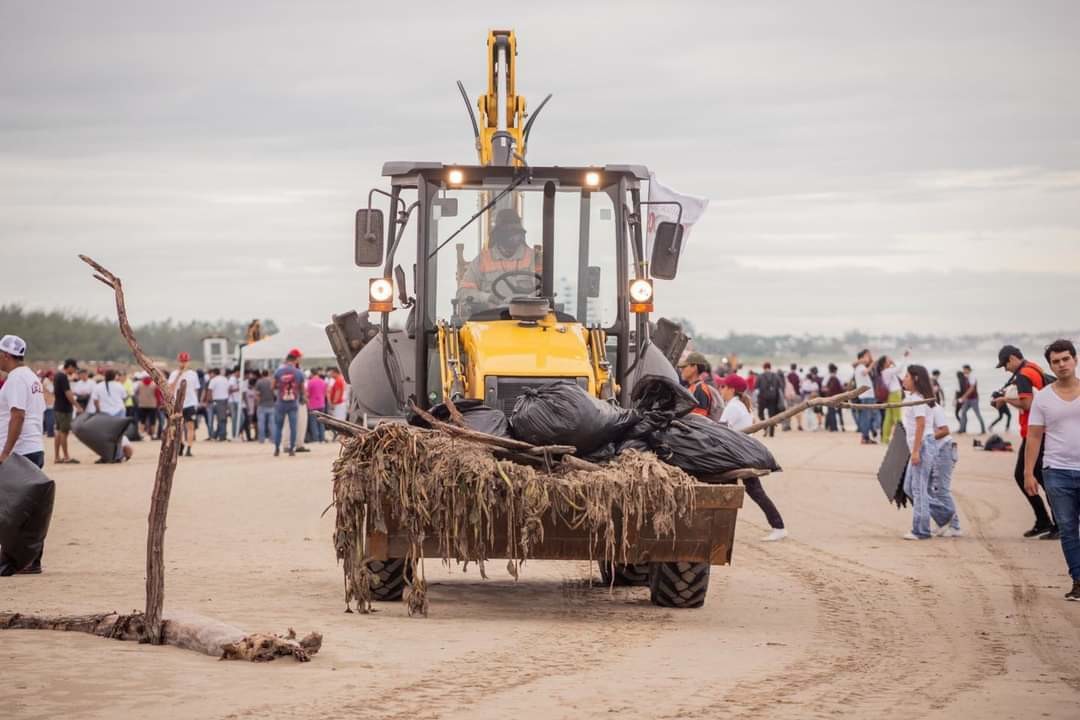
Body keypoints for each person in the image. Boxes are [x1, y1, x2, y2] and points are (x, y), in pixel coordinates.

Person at [1024, 339, 1080, 601]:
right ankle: (1078, 580)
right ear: (1051, 365)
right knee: (1068, 528)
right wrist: (1028, 473)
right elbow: (1034, 436)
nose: (1061, 365)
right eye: (1056, 361)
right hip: (1056, 471)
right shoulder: (1043, 398)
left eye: (1065, 359)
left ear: (1075, 360)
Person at [992, 345, 1058, 539]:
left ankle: (1054, 523)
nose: (1006, 369)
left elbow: (1027, 403)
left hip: (1035, 432)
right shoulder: (1034, 367)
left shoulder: (1023, 375)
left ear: (1013, 358)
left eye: (1005, 364)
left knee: (1029, 476)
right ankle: (1047, 521)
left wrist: (1005, 399)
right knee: (1035, 476)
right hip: (1042, 430)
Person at [717, 374, 787, 540]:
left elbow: (720, 431)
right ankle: (777, 526)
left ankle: (779, 526)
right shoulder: (741, 405)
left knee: (753, 491)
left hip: (738, 456)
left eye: (723, 387)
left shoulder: (733, 407)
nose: (721, 390)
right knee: (748, 490)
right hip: (743, 454)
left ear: (731, 389)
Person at [0, 335, 48, 574]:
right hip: (33, 447)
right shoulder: (31, 377)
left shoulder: (17, 378)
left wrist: (6, 452)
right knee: (30, 509)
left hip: (19, 452)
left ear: (6, 355)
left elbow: (17, 415)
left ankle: (17, 559)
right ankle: (30, 559)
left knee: (13, 509)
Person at [456, 209, 541, 314]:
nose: (514, 239)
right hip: (491, 320)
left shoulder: (535, 258)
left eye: (516, 234)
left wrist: (529, 299)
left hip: (528, 319)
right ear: (499, 235)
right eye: (509, 234)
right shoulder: (482, 260)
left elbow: (545, 290)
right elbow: (463, 292)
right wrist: (488, 298)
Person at [900, 365, 939, 540]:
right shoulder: (913, 398)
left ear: (916, 378)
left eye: (907, 376)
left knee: (918, 488)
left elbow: (921, 425)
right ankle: (943, 514)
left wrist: (915, 451)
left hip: (922, 444)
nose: (903, 379)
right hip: (920, 445)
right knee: (909, 486)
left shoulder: (918, 399)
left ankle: (921, 530)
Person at [928, 401, 962, 537]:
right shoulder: (922, 408)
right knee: (934, 490)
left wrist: (926, 438)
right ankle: (942, 523)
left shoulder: (934, 408)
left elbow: (945, 430)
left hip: (945, 450)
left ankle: (955, 526)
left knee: (942, 490)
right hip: (937, 451)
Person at [167, 351, 202, 457]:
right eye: (182, 361)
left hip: (190, 403)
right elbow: (171, 388)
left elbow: (196, 389)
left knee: (190, 426)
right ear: (179, 361)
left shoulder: (193, 374)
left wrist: (197, 402)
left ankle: (189, 448)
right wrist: (179, 375)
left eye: (185, 361)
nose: (183, 363)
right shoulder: (173, 374)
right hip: (178, 403)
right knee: (178, 427)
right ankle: (181, 445)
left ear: (188, 362)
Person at [273, 349, 306, 457]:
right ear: (295, 359)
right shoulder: (299, 373)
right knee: (293, 427)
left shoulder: (278, 371)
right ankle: (292, 450)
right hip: (293, 403)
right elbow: (302, 390)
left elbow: (272, 386)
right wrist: (303, 398)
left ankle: (277, 449)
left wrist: (279, 390)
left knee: (278, 427)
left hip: (280, 403)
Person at [679, 351, 723, 420]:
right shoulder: (693, 387)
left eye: (684, 366)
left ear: (694, 368)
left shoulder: (701, 390)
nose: (681, 370)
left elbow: (698, 421)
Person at [52, 359, 80, 464]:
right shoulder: (63, 377)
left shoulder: (57, 375)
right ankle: (66, 456)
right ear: (70, 366)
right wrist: (77, 405)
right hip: (64, 409)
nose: (74, 371)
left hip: (58, 407)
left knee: (58, 432)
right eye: (74, 368)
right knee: (64, 432)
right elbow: (68, 393)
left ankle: (57, 456)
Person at [853, 349, 879, 444]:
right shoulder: (860, 367)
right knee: (867, 417)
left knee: (867, 416)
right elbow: (865, 372)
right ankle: (865, 437)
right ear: (862, 357)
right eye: (867, 356)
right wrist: (872, 364)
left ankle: (866, 436)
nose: (869, 358)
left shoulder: (859, 367)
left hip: (866, 395)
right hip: (866, 396)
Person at [877, 355, 905, 444]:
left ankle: (885, 439)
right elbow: (900, 369)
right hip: (895, 394)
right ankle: (900, 438)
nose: (891, 360)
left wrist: (893, 364)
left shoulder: (885, 371)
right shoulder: (887, 371)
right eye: (889, 360)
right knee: (897, 417)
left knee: (888, 418)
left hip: (891, 395)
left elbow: (898, 371)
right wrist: (905, 357)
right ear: (884, 363)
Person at [755, 362, 785, 438]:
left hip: (762, 398)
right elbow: (780, 386)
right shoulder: (776, 376)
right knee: (772, 416)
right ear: (770, 367)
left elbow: (756, 387)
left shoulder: (760, 376)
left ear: (763, 367)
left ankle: (765, 427)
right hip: (773, 398)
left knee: (760, 414)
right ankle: (772, 433)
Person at [956, 364, 986, 434]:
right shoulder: (967, 377)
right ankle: (962, 429)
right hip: (968, 399)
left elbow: (971, 389)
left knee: (977, 414)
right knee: (963, 412)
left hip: (973, 399)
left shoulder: (972, 377)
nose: (963, 371)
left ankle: (983, 430)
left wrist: (963, 397)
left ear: (968, 369)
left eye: (964, 369)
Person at [207, 368, 230, 441]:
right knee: (222, 419)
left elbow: (210, 391)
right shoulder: (225, 379)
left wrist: (209, 401)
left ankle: (218, 436)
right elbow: (228, 389)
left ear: (213, 373)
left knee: (215, 420)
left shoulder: (213, 380)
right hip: (224, 400)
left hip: (216, 400)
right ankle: (220, 435)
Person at [306, 369, 327, 443]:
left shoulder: (310, 382)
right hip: (322, 403)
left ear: (312, 374)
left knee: (313, 422)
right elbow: (325, 393)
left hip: (313, 404)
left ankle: (316, 438)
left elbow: (308, 394)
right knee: (321, 422)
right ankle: (322, 438)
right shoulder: (323, 382)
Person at [822, 363, 845, 432]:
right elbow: (842, 387)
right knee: (839, 412)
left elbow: (823, 388)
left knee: (831, 412)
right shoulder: (838, 378)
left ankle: (832, 427)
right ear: (835, 370)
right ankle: (841, 426)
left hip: (829, 397)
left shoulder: (827, 377)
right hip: (838, 397)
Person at [135, 374, 158, 439]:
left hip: (142, 405)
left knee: (142, 421)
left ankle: (141, 434)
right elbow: (157, 395)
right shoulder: (154, 384)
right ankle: (153, 434)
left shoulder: (140, 384)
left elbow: (136, 393)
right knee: (153, 421)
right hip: (152, 405)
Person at [255, 369, 275, 442]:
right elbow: (275, 393)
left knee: (261, 423)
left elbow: (257, 394)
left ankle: (261, 439)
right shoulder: (272, 381)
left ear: (262, 374)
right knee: (272, 424)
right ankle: (272, 439)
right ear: (268, 374)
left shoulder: (259, 382)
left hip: (262, 405)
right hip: (271, 405)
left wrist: (258, 403)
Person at [785, 364, 803, 431]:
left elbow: (785, 385)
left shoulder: (787, 375)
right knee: (798, 410)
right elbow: (801, 385)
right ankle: (799, 425)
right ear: (796, 368)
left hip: (788, 395)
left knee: (788, 410)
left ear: (790, 368)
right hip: (797, 394)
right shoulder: (799, 375)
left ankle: (788, 425)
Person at [227, 369, 243, 440]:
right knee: (234, 418)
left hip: (237, 400)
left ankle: (236, 432)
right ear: (237, 371)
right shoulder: (232, 379)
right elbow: (229, 390)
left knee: (241, 418)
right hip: (233, 401)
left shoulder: (238, 379)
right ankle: (234, 434)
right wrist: (238, 389)